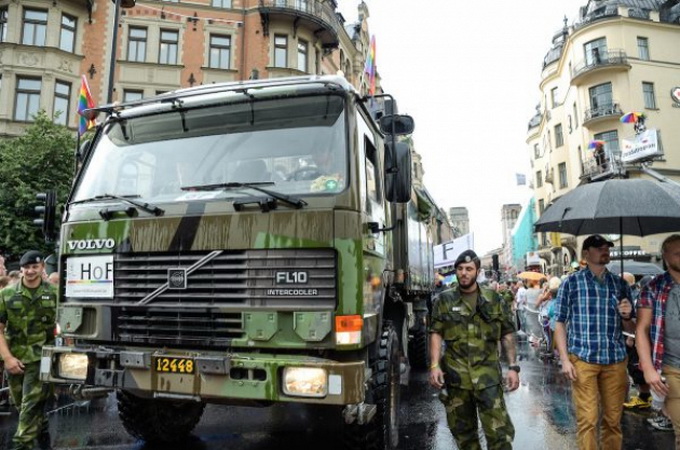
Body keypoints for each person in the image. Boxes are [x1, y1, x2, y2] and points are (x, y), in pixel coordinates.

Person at [429, 250, 519, 450]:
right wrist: (434, 365)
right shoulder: (444, 300)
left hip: (488, 381)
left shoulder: (494, 299)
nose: (464, 273)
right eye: (460, 269)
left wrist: (513, 367)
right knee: (464, 438)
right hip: (457, 381)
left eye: (469, 269)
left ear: (477, 271)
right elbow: (435, 332)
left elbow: (507, 333)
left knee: (500, 437)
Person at [554, 234, 635, 450]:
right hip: (583, 359)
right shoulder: (571, 283)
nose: (605, 250)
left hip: (615, 360)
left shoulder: (619, 284)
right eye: (599, 247)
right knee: (588, 420)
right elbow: (559, 323)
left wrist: (627, 316)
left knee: (613, 421)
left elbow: (631, 330)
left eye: (607, 247)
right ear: (586, 254)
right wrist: (564, 359)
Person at [0, 250, 57, 450]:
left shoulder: (54, 293)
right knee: (24, 407)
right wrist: (7, 358)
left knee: (29, 409)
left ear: (42, 268)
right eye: (27, 267)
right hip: (15, 359)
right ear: (21, 269)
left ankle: (21, 445)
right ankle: (44, 439)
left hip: (43, 360)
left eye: (35, 267)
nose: (30, 271)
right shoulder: (7, 294)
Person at [637, 234, 680, 443]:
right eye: (678, 253)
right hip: (672, 369)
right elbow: (641, 329)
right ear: (665, 256)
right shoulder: (653, 288)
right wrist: (648, 368)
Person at [621, 272, 653, 410]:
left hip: (637, 340)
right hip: (639, 339)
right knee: (636, 368)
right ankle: (644, 396)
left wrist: (631, 337)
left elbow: (639, 321)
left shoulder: (636, 297)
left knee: (637, 368)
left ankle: (645, 397)